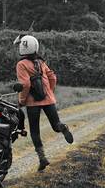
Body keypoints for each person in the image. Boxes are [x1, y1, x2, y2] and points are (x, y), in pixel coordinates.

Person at [14, 34, 73, 171]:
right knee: (55, 125)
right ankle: (62, 127)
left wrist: (21, 100)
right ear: (35, 47)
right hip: (48, 99)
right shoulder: (41, 62)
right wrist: (49, 92)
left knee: (35, 131)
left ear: (22, 48)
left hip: (32, 102)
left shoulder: (21, 64)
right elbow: (52, 77)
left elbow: (25, 84)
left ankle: (42, 158)